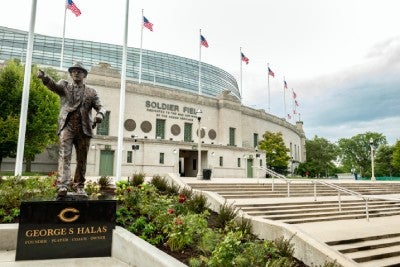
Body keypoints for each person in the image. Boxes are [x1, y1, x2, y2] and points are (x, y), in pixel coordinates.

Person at [37, 62, 106, 198]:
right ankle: (62, 185)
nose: (76, 73)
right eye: (73, 71)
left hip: (84, 128)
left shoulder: (91, 92)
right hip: (67, 126)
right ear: (70, 73)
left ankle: (79, 185)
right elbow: (53, 86)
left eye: (79, 71)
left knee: (82, 159)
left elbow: (101, 107)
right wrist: (45, 77)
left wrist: (100, 115)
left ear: (84, 75)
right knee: (64, 155)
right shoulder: (64, 86)